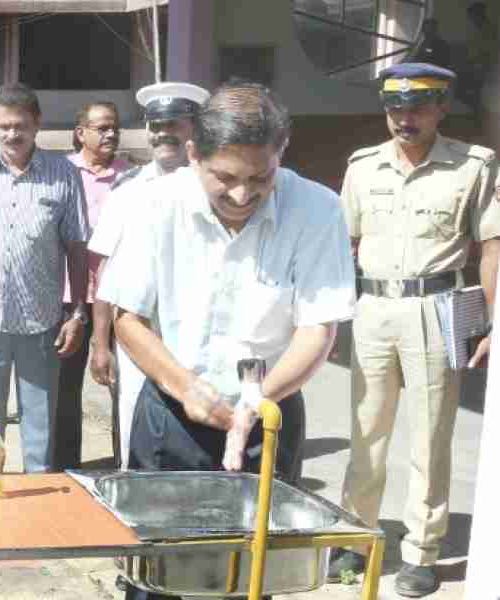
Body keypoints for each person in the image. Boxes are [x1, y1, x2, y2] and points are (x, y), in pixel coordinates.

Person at [100, 82, 356, 600]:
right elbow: (129, 316)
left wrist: (254, 402)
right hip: (171, 410)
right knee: (157, 573)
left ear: (280, 156)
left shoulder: (317, 209)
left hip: (267, 409)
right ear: (194, 155)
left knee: (249, 574)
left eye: (260, 178)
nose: (242, 196)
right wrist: (186, 387)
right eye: (226, 179)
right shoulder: (153, 202)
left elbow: (318, 329)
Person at [330, 63, 499, 598]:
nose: (405, 117)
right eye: (395, 107)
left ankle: (422, 551)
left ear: (441, 108)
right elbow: (342, 246)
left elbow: (492, 246)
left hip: (437, 309)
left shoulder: (472, 166)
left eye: (418, 106)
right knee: (366, 431)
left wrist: (495, 322)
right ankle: (355, 539)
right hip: (374, 309)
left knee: (431, 437)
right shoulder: (362, 167)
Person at [0, 82, 89, 474]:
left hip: (40, 324)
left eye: (20, 125)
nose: (12, 134)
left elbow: (76, 249)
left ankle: (37, 505)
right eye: (4, 125)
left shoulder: (64, 175)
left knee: (39, 427)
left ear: (36, 124)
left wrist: (77, 313)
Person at [87, 82, 210, 466]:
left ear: (194, 127)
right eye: (156, 124)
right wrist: (100, 341)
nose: (163, 133)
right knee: (135, 433)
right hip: (139, 333)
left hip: (197, 334)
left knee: (199, 433)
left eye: (174, 123)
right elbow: (106, 269)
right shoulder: (128, 189)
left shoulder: (215, 185)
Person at [54, 101, 131, 470]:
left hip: (118, 299)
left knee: (123, 386)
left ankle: (125, 463)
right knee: (64, 390)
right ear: (80, 132)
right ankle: (66, 467)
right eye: (101, 127)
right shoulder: (60, 173)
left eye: (114, 127)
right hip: (69, 298)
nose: (110, 134)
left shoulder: (130, 178)